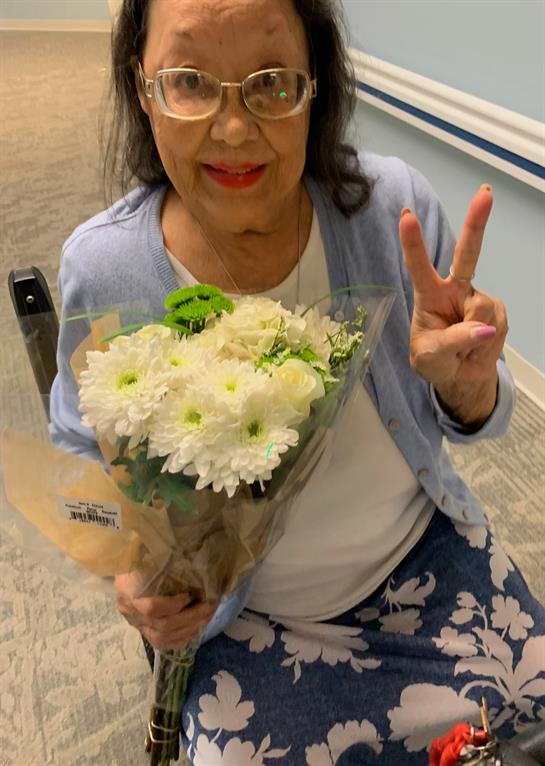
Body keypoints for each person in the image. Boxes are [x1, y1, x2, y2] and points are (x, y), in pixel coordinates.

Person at [49, 0, 545, 762]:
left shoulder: (392, 213)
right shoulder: (107, 267)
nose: (233, 128)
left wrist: (467, 387)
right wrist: (126, 567)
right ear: (141, 88)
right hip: (244, 623)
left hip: (428, 563)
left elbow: (482, 416)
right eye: (189, 81)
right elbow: (77, 454)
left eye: (271, 81)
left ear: (316, 83)